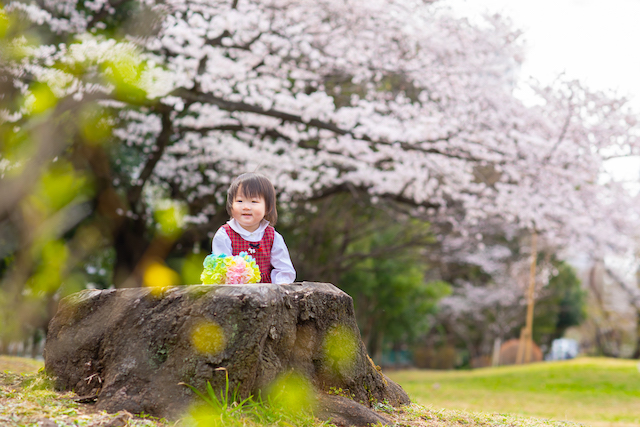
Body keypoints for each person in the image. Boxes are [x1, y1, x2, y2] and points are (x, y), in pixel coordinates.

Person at [211, 172, 296, 284]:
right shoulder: (224, 235)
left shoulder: (272, 237)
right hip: (233, 293)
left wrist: (279, 287)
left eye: (254, 201)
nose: (246, 207)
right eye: (240, 201)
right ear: (231, 205)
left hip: (267, 294)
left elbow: (284, 269)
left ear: (267, 207)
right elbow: (221, 269)